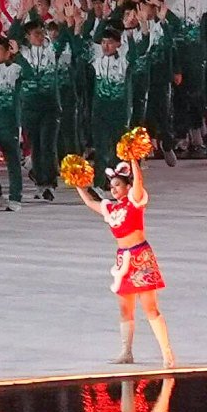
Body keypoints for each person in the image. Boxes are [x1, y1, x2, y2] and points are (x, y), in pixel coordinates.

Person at [75, 139, 179, 368]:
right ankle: (126, 352)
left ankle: (167, 354)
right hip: (123, 260)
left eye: (117, 185)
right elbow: (90, 202)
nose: (113, 189)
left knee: (150, 307)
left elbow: (138, 182)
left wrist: (133, 159)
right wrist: (78, 184)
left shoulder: (135, 201)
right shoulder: (111, 208)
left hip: (141, 257)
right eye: (111, 186)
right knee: (125, 309)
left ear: (127, 186)